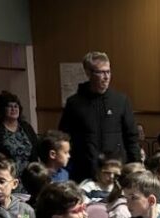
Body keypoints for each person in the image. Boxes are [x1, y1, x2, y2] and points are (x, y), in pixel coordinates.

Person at [59, 51, 140, 180]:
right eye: (101, 72)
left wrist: (137, 167)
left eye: (108, 71)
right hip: (85, 172)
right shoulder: (74, 103)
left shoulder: (120, 101)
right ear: (88, 73)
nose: (106, 76)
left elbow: (132, 138)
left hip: (115, 171)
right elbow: (65, 137)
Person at [0, 91, 39, 177]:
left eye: (16, 106)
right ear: (2, 109)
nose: (14, 109)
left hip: (29, 176)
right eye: (9, 106)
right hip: (5, 175)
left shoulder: (26, 127)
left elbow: (35, 150)